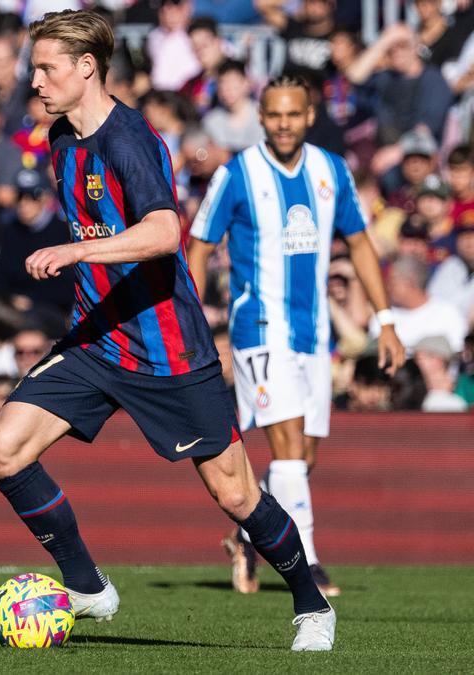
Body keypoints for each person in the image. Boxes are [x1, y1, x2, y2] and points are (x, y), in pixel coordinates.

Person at [0, 11, 336, 652]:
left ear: (87, 68)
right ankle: (87, 586)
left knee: (235, 493)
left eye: (46, 68)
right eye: (33, 67)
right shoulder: (61, 139)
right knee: (2, 451)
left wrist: (78, 253)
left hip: (167, 350)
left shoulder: (129, 140)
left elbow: (166, 232)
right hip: (94, 342)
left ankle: (311, 604)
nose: (34, 81)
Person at [187, 74, 407, 599]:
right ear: (261, 117)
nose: (284, 124)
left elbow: (358, 244)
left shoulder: (332, 171)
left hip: (314, 333)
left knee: (303, 458)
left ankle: (246, 535)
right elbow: (197, 247)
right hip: (260, 327)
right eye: (275, 114)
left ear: (310, 116)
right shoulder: (237, 174)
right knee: (285, 450)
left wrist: (386, 320)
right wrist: (193, 324)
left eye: (294, 114)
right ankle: (306, 563)